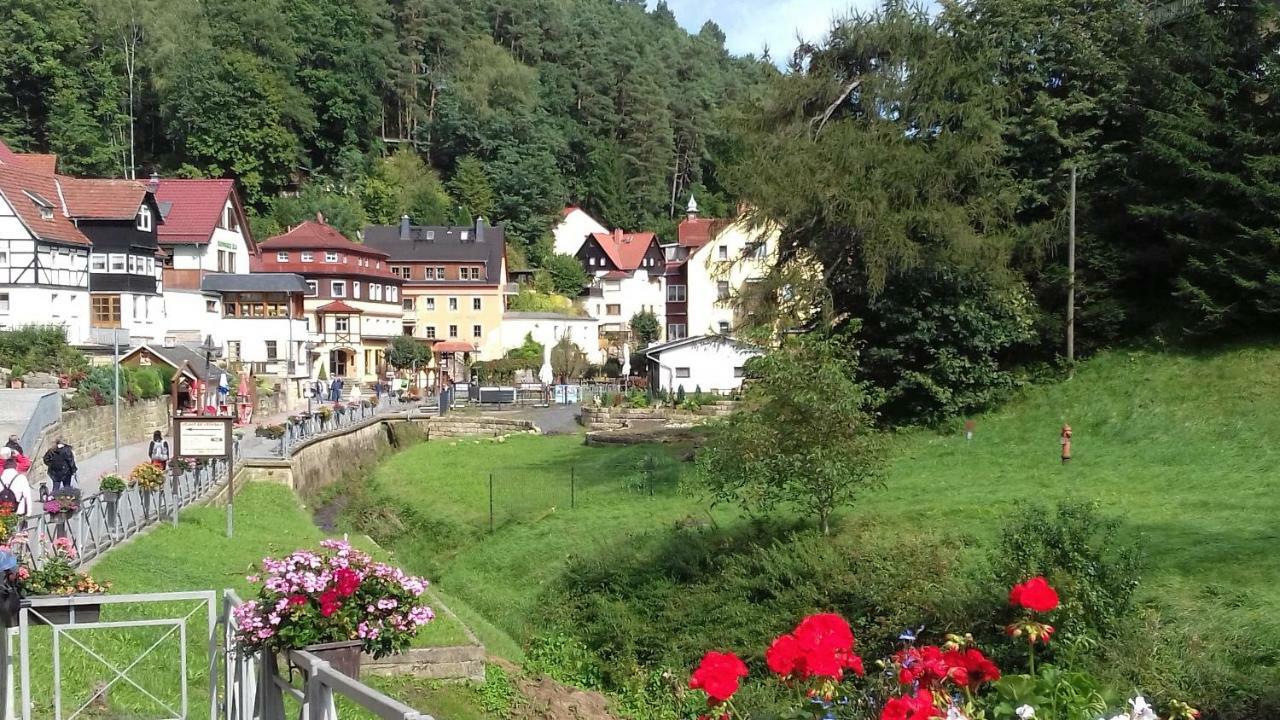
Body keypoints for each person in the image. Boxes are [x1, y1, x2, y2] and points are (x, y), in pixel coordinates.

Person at [0, 447, 33, 517]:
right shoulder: (20, 476)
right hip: (19, 510)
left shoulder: (2, 472)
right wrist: (18, 455)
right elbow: (26, 464)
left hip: (3, 511)